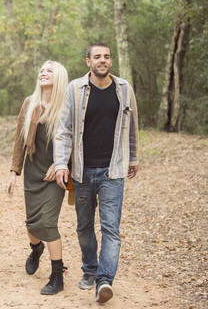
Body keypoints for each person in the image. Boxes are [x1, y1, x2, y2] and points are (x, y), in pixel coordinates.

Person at [53, 43, 139, 304]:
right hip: (81, 171)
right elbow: (64, 130)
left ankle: (104, 280)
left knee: (111, 228)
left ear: (110, 61)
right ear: (88, 61)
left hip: (113, 171)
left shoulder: (124, 89)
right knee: (84, 226)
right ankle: (90, 270)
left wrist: (133, 157)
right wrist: (59, 164)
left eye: (107, 57)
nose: (103, 60)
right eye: (97, 57)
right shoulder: (75, 89)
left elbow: (133, 126)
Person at [5, 60, 72, 295]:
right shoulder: (29, 103)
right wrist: (14, 172)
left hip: (55, 174)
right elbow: (19, 140)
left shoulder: (66, 104)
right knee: (32, 222)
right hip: (33, 171)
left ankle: (56, 276)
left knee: (47, 222)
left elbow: (76, 139)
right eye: (41, 70)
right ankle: (36, 249)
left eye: (49, 70)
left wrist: (61, 162)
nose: (43, 73)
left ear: (59, 77)